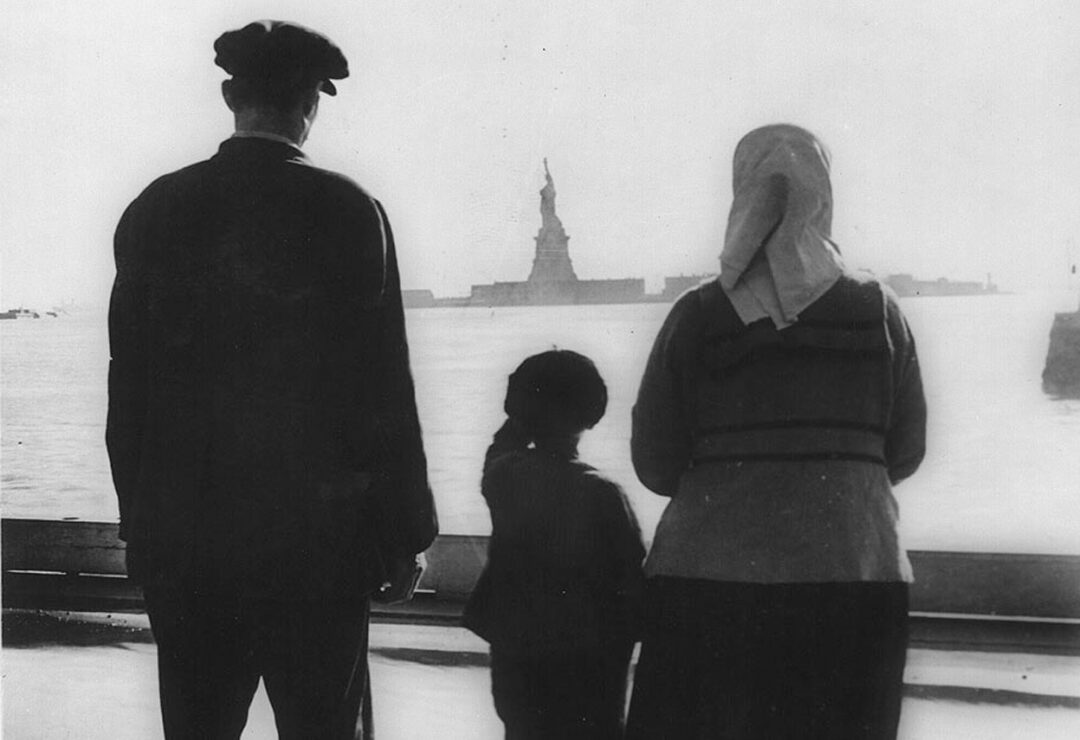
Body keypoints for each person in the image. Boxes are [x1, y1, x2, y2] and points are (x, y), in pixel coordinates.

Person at [106, 20, 437, 739]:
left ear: (231, 94)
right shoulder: (350, 209)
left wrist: (143, 524)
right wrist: (408, 532)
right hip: (317, 543)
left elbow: (126, 388)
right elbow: (384, 387)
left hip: (188, 540)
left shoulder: (156, 208)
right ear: (310, 104)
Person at [625, 124, 927, 739]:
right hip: (853, 570)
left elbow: (654, 462)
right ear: (824, 196)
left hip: (708, 582)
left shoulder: (698, 315)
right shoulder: (879, 311)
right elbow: (906, 450)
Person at [464, 350, 645, 739]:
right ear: (592, 413)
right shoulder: (605, 494)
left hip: (519, 657)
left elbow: (501, 446)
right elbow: (632, 581)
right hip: (589, 665)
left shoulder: (505, 476)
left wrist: (521, 416)